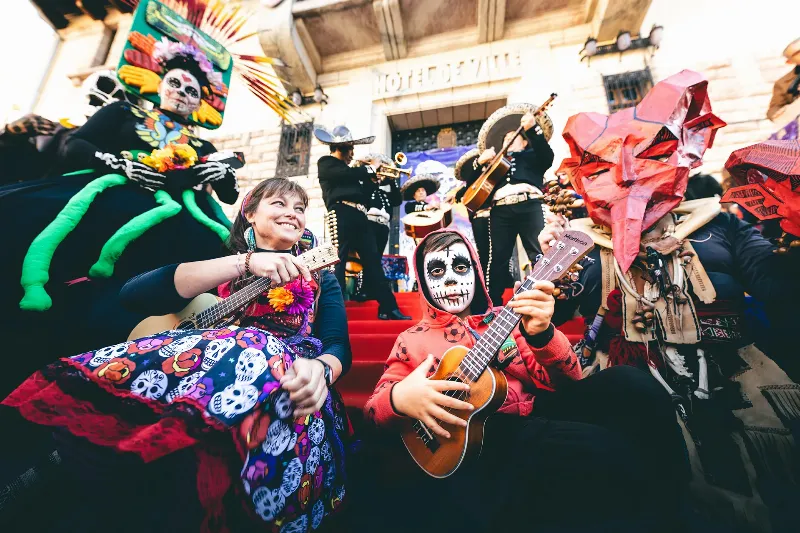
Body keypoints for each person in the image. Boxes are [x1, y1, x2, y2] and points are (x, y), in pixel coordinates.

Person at [2, 177, 352, 532]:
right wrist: (245, 264)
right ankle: (62, 467)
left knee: (253, 345)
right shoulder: (218, 266)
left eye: (300, 208)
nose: (293, 214)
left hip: (285, 377)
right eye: (279, 204)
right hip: (194, 372)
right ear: (249, 213)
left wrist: (320, 370)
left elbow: (338, 344)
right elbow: (133, 296)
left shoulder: (320, 274)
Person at [543, 70, 800, 531]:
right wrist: (550, 282)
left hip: (736, 378)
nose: (626, 174)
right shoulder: (578, 243)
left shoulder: (720, 225)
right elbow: (553, 312)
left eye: (650, 154)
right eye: (604, 165)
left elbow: (779, 290)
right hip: (631, 384)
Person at [357, 229, 689, 533]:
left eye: (460, 267)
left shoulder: (507, 318)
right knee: (596, 448)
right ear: (423, 281)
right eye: (437, 271)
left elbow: (567, 381)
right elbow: (375, 408)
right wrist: (401, 398)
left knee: (634, 386)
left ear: (475, 269)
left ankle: (676, 503)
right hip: (486, 438)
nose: (450, 280)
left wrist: (542, 334)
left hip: (536, 410)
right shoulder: (411, 340)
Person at [315, 125, 411, 320]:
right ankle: (335, 309)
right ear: (341, 148)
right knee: (338, 262)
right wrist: (369, 168)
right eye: (351, 149)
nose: (353, 154)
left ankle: (389, 306)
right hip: (340, 212)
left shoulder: (353, 172)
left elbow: (364, 197)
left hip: (359, 215)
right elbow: (344, 174)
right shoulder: (326, 163)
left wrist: (374, 179)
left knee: (373, 262)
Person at [474, 103, 555, 303]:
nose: (508, 140)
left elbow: (548, 156)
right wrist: (479, 163)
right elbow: (471, 184)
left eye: (513, 137)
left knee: (540, 252)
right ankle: (492, 303)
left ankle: (550, 298)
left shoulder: (533, 155)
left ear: (524, 142)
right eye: (505, 139)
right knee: (498, 259)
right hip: (501, 210)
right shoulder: (495, 164)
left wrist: (532, 130)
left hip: (530, 205)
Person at [454, 148, 490, 280]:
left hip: (496, 216)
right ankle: (484, 282)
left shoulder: (493, 175)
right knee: (484, 253)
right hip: (479, 218)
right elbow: (471, 182)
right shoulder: (468, 186)